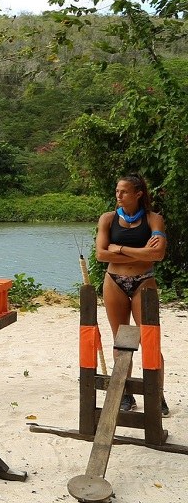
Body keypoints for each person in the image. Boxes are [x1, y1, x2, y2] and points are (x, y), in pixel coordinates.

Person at [95, 173, 168, 415]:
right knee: (121, 341)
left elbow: (157, 254)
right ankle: (125, 393)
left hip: (144, 281)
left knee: (149, 340)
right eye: (117, 191)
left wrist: (120, 249)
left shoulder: (153, 219)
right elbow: (101, 255)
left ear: (138, 194)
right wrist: (141, 252)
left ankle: (157, 394)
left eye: (124, 191)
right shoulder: (107, 219)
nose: (119, 195)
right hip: (113, 281)